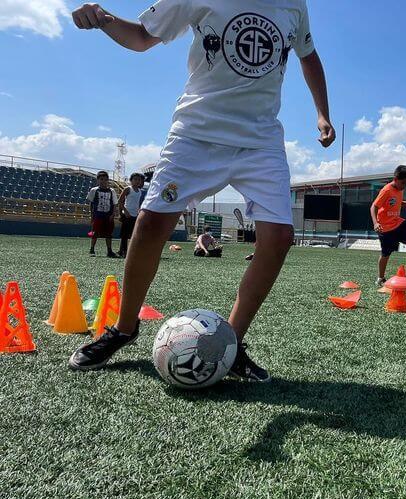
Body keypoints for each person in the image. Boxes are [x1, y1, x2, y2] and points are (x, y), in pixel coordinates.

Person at [69, 1, 335, 382]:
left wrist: (322, 113)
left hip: (260, 140)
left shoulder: (295, 4)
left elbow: (309, 57)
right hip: (197, 132)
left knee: (279, 237)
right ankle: (124, 329)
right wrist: (105, 20)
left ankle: (229, 342)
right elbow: (143, 37)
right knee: (149, 225)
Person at [370, 165, 406, 286]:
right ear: (395, 178)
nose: (404, 186)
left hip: (397, 222)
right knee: (386, 254)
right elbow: (374, 206)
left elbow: (397, 204)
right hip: (385, 227)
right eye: (403, 183)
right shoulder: (386, 190)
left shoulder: (400, 189)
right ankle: (380, 278)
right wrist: (375, 223)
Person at [86, 170, 119, 258]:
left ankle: (109, 251)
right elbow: (91, 203)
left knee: (109, 233)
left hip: (108, 216)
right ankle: (92, 249)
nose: (103, 181)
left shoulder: (111, 191)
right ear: (98, 180)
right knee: (95, 232)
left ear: (108, 180)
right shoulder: (94, 190)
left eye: (105, 179)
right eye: (101, 179)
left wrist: (113, 214)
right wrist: (92, 215)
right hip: (98, 215)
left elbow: (115, 203)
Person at [117, 172, 145, 257]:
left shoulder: (140, 191)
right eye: (135, 179)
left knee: (133, 234)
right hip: (127, 214)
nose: (137, 181)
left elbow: (138, 203)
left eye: (139, 180)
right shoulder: (127, 189)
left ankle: (130, 251)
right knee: (124, 235)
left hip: (135, 215)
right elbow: (120, 201)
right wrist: (124, 211)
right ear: (131, 180)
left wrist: (139, 211)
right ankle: (123, 251)